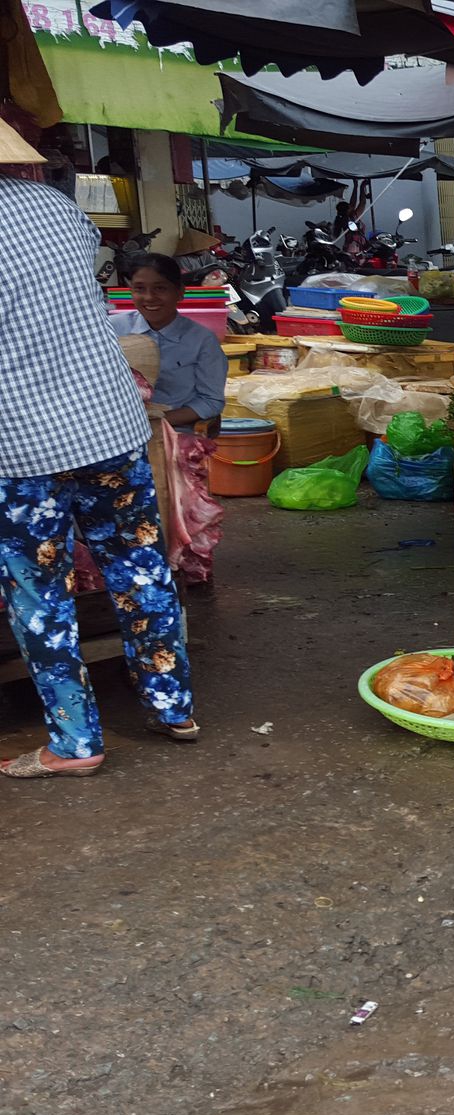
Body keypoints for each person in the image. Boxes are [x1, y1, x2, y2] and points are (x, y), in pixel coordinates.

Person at [0, 163, 200, 777]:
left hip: (22, 444)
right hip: (106, 422)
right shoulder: (50, 204)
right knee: (140, 568)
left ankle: (76, 744)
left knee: (41, 600)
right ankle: (174, 709)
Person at [107, 254, 225, 584]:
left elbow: (211, 401)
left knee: (174, 486)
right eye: (139, 288)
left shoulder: (200, 340)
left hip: (177, 431)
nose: (148, 298)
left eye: (159, 289)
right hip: (117, 429)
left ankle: (180, 559)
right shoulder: (111, 330)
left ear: (179, 293)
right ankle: (122, 565)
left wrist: (159, 421)